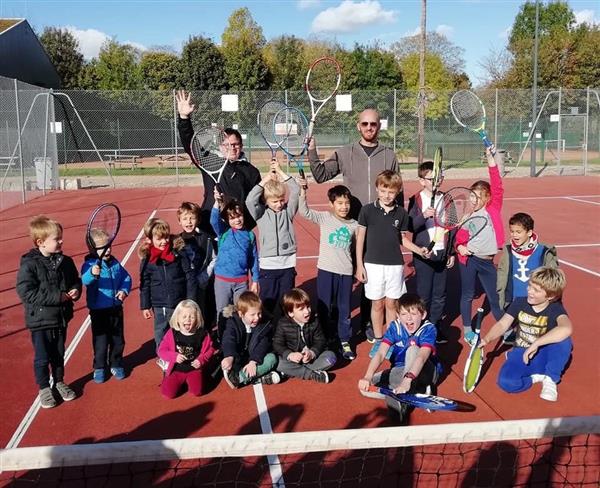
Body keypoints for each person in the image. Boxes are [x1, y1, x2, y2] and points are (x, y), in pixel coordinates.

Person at [307, 107, 403, 337]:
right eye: (365, 124)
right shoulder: (345, 152)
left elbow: (398, 193)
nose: (369, 128)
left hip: (381, 228)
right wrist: (312, 151)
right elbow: (320, 175)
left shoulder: (389, 154)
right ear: (358, 126)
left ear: (379, 126)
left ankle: (369, 325)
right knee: (347, 276)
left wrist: (397, 225)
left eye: (373, 124)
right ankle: (333, 328)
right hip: (352, 227)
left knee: (373, 277)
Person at [355, 170, 429, 348]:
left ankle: (390, 339)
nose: (386, 195)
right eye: (383, 190)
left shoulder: (401, 214)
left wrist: (419, 250)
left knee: (391, 304)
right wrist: (359, 265)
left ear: (397, 192)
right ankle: (379, 339)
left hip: (394, 265)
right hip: (372, 265)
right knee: (377, 304)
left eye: (391, 192)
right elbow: (360, 239)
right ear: (377, 189)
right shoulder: (367, 211)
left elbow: (402, 239)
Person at [16, 216, 81, 408]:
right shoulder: (29, 264)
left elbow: (74, 280)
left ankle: (59, 381)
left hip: (60, 318)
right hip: (41, 320)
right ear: (40, 242)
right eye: (57, 239)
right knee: (43, 357)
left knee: (59, 354)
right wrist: (58, 297)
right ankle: (44, 387)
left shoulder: (65, 261)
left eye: (61, 238)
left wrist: (76, 290)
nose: (61, 241)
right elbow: (26, 292)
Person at [480, 267, 572, 402]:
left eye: (536, 290)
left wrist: (536, 344)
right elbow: (502, 324)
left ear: (550, 296)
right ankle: (535, 377)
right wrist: (486, 339)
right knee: (506, 383)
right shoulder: (520, 302)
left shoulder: (555, 308)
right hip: (522, 351)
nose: (529, 291)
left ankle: (550, 378)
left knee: (564, 341)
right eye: (530, 286)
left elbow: (566, 328)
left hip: (543, 352)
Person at [176, 89, 261, 231]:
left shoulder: (251, 171)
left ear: (241, 145)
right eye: (227, 145)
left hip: (237, 231)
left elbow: (257, 202)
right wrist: (184, 118)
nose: (231, 148)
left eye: (235, 144)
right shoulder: (211, 162)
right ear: (221, 146)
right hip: (210, 228)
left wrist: (246, 227)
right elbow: (191, 144)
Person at [357, 293, 442, 421]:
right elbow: (380, 354)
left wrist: (406, 381)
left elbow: (422, 357)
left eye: (413, 314)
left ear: (423, 315)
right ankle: (417, 393)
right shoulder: (394, 327)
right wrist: (367, 377)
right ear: (397, 315)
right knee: (366, 388)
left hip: (425, 372)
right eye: (403, 314)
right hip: (401, 370)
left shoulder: (429, 329)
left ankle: (402, 402)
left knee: (412, 350)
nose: (408, 318)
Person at [299, 181, 359, 360]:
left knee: (344, 308)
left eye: (346, 203)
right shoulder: (325, 218)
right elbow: (305, 212)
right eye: (340, 203)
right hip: (326, 270)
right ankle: (323, 338)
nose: (344, 207)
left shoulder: (354, 225)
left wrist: (356, 269)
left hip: (346, 273)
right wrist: (303, 191)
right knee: (325, 307)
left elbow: (355, 248)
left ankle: (344, 340)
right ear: (331, 204)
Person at [456, 147, 505, 345]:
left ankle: (505, 327)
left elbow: (497, 183)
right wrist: (459, 247)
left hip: (487, 262)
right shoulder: (467, 217)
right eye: (471, 196)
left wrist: (490, 159)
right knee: (467, 294)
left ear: (487, 197)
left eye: (478, 196)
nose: (473, 200)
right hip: (469, 260)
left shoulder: (493, 209)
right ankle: (467, 329)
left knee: (494, 297)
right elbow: (459, 239)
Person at [407, 161, 455, 344]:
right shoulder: (415, 200)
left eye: (439, 177)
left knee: (440, 294)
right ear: (422, 181)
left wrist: (451, 252)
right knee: (424, 294)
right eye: (431, 178)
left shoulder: (447, 199)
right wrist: (423, 216)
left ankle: (435, 326)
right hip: (423, 254)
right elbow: (410, 226)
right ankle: (422, 325)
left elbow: (452, 226)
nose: (437, 180)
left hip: (442, 253)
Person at [245, 162, 300, 317]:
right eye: (274, 201)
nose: (279, 204)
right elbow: (250, 200)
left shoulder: (288, 211)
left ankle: (284, 332)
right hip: (268, 266)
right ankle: (268, 332)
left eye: (281, 200)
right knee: (268, 302)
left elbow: (295, 189)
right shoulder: (260, 214)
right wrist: (267, 178)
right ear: (266, 201)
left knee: (286, 302)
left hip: (287, 264)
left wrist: (281, 172)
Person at [138, 218, 196, 357]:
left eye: (166, 237)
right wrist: (145, 306)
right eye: (159, 239)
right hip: (160, 305)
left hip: (179, 303)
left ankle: (182, 356)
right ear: (150, 239)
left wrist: (190, 300)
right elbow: (144, 284)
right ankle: (164, 356)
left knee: (181, 331)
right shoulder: (147, 260)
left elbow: (189, 276)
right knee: (161, 332)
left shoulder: (178, 254)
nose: (164, 241)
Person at [81, 229, 132, 383]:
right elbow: (85, 280)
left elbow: (126, 277)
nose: (108, 249)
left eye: (109, 245)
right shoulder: (89, 264)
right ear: (92, 249)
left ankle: (116, 363)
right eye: (103, 247)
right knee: (101, 341)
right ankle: (99, 367)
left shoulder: (115, 263)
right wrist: (92, 272)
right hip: (98, 311)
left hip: (116, 308)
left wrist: (124, 290)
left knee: (118, 339)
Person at [211, 192, 259, 332]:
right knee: (222, 312)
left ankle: (242, 338)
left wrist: (255, 280)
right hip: (222, 281)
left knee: (242, 311)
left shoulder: (250, 235)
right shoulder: (224, 233)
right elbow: (214, 220)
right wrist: (216, 202)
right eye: (232, 218)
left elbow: (254, 259)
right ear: (226, 220)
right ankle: (222, 338)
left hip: (241, 282)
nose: (237, 220)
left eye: (239, 216)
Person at [273, 288, 337, 383]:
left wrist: (312, 353)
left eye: (308, 306)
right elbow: (277, 344)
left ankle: (290, 372)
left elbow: (320, 340)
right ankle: (311, 374)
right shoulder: (283, 324)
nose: (307, 311)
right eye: (301, 309)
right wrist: (290, 355)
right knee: (277, 362)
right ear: (291, 313)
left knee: (331, 357)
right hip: (292, 359)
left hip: (310, 360)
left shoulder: (314, 320)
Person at [157, 300, 216, 399]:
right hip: (176, 369)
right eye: (184, 317)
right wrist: (174, 356)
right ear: (177, 318)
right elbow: (161, 351)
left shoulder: (202, 334)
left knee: (197, 392)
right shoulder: (172, 333)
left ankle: (193, 379)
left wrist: (201, 360)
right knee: (167, 394)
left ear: (197, 318)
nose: (188, 320)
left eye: (192, 317)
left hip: (193, 369)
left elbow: (210, 349)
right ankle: (172, 378)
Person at [220, 291, 280, 388]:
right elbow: (228, 339)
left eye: (259, 313)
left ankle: (239, 378)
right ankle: (260, 378)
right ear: (241, 314)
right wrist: (229, 356)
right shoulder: (232, 323)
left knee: (271, 359)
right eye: (252, 315)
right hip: (238, 357)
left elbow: (263, 345)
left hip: (255, 358)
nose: (257, 318)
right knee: (228, 362)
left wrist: (253, 361)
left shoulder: (264, 325)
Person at [177, 201, 217, 326]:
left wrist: (204, 277)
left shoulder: (206, 238)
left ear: (198, 220)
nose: (189, 222)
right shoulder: (176, 242)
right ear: (179, 221)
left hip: (201, 284)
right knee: (184, 316)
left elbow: (214, 259)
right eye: (185, 219)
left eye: (192, 218)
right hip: (183, 285)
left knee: (200, 314)